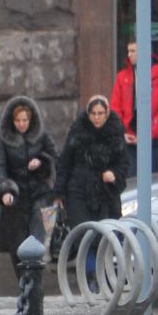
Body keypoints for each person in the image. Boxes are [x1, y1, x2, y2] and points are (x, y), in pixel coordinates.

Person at [0, 96, 57, 279]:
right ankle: (23, 281)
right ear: (12, 121)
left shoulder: (41, 136)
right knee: (17, 244)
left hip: (39, 194)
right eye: (18, 120)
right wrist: (6, 191)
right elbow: (0, 167)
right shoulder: (4, 141)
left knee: (37, 240)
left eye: (25, 120)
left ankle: (34, 281)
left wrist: (41, 161)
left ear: (31, 120)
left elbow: (55, 158)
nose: (21, 124)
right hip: (16, 196)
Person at [57, 95, 129, 254]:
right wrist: (59, 192)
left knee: (106, 237)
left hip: (106, 193)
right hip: (79, 191)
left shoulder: (116, 133)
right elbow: (65, 162)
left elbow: (123, 164)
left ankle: (101, 275)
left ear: (107, 113)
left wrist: (114, 174)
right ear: (88, 114)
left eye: (100, 113)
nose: (97, 118)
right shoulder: (77, 132)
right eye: (93, 113)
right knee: (84, 236)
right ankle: (89, 275)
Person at [111, 41, 158, 165]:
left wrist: (150, 132)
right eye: (128, 51)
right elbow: (115, 107)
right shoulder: (122, 77)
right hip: (129, 137)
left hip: (153, 138)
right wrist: (123, 132)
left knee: (151, 176)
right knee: (131, 177)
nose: (129, 55)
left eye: (133, 51)